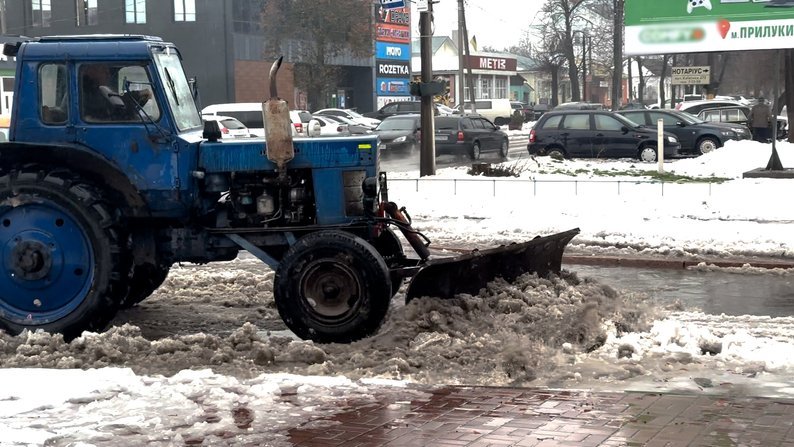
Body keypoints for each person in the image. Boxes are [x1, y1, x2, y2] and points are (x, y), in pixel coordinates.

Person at [81, 64, 151, 122]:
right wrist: (136, 95)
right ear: (91, 70)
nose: (108, 74)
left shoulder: (100, 89)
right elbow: (108, 108)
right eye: (103, 70)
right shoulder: (87, 93)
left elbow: (116, 99)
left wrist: (137, 95)